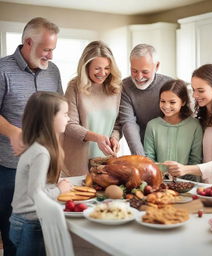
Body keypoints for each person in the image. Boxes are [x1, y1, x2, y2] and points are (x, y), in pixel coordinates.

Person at [0, 17, 63, 256]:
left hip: (45, 166)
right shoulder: (2, 70)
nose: (51, 56)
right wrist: (13, 131)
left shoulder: (53, 72)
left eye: (53, 49)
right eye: (46, 49)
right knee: (13, 236)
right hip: (8, 168)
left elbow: (58, 114)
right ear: (28, 42)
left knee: (41, 234)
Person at [9, 91, 73, 256]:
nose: (68, 118)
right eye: (65, 114)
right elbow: (35, 194)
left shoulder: (38, 148)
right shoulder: (41, 153)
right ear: (50, 119)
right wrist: (59, 190)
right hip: (29, 223)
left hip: (23, 221)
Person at [168, 64, 212, 184]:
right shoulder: (204, 113)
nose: (195, 95)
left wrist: (185, 169)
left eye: (201, 91)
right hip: (205, 187)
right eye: (194, 90)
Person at [63, 41, 122, 176]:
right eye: (97, 68)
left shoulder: (116, 87)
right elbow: (68, 124)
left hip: (105, 162)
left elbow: (118, 123)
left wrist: (114, 138)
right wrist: (97, 138)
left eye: (107, 68)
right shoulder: (74, 87)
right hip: (77, 161)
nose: (103, 73)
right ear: (86, 66)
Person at [112, 43, 172, 156]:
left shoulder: (170, 85)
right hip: (142, 149)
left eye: (145, 72)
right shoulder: (124, 87)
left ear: (157, 66)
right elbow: (128, 123)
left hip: (170, 148)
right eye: (134, 71)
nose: (139, 77)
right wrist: (141, 158)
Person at [144, 79, 203, 181]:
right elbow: (149, 159)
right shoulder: (152, 125)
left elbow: (195, 160)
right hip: (159, 182)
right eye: (162, 101)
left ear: (183, 102)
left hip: (188, 183)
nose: (166, 106)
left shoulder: (194, 125)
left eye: (172, 102)